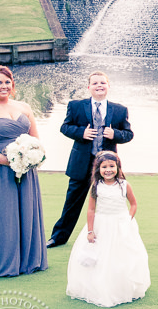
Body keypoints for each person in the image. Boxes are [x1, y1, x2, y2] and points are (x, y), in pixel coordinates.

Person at [0, 65, 48, 278]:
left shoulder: (25, 107)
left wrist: (29, 158)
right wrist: (7, 161)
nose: (4, 86)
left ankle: (27, 261)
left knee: (26, 210)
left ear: (12, 85)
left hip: (26, 170)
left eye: (7, 82)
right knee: (2, 213)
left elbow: (35, 139)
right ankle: (1, 261)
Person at [48, 71, 133, 248]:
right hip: (81, 163)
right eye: (95, 83)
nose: (99, 86)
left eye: (103, 83)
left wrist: (115, 134)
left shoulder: (119, 110)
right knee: (72, 202)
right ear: (89, 87)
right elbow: (65, 127)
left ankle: (114, 237)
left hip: (108, 167)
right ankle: (58, 237)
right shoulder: (76, 106)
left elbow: (129, 134)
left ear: (108, 86)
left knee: (110, 201)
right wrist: (81, 133)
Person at [66, 151, 150, 307]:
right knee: (101, 256)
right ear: (98, 169)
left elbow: (133, 204)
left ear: (118, 167)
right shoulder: (96, 186)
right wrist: (90, 231)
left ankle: (123, 285)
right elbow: (91, 210)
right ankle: (101, 286)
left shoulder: (124, 185)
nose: (108, 169)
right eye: (104, 167)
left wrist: (128, 218)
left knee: (123, 255)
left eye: (112, 166)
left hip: (121, 224)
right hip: (101, 225)